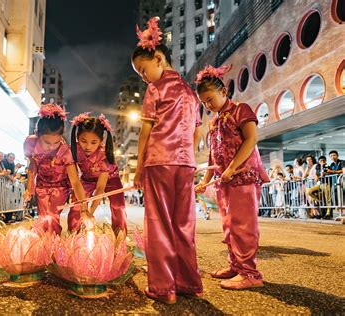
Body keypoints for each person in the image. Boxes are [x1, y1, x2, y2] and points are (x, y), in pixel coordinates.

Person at [131, 17, 203, 304]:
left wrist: (138, 167)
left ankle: (163, 287)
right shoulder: (190, 92)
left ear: (158, 58)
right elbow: (198, 130)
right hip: (185, 164)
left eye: (143, 69)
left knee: (158, 223)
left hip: (159, 161)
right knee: (184, 224)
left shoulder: (156, 89)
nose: (144, 77)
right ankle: (188, 282)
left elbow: (146, 130)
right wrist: (189, 154)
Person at [194, 64, 269, 290]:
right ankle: (236, 266)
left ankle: (250, 273)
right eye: (204, 103)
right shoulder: (215, 121)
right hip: (223, 181)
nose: (208, 105)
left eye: (210, 99)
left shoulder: (241, 109)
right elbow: (212, 156)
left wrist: (232, 168)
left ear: (223, 91)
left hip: (243, 177)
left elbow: (251, 140)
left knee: (243, 225)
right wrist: (205, 180)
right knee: (229, 225)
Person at [23, 103, 87, 235]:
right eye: (47, 143)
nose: (51, 147)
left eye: (56, 143)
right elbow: (33, 164)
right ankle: (44, 245)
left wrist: (83, 204)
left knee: (52, 216)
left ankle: (54, 245)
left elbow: (75, 181)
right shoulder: (30, 143)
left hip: (60, 187)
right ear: (37, 134)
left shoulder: (65, 152)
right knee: (43, 217)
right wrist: (30, 187)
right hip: (42, 185)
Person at [68, 113, 127, 235]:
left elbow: (100, 189)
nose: (88, 146)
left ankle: (120, 235)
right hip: (87, 179)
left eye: (93, 142)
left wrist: (89, 212)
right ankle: (74, 233)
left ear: (101, 141)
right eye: (84, 141)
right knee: (76, 204)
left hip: (111, 179)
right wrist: (83, 209)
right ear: (78, 138)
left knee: (118, 206)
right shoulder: (74, 150)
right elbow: (75, 182)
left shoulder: (104, 155)